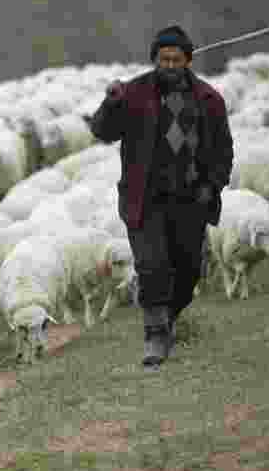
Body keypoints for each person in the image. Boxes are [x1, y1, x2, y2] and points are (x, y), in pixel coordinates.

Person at [88, 25, 234, 370]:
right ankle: (154, 334)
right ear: (154, 59)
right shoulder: (133, 94)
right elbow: (102, 132)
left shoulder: (209, 100)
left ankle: (167, 318)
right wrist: (110, 105)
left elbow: (224, 151)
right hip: (146, 197)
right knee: (152, 265)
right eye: (163, 58)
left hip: (191, 197)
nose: (169, 64)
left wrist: (212, 185)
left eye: (176, 59)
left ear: (187, 61)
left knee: (188, 271)